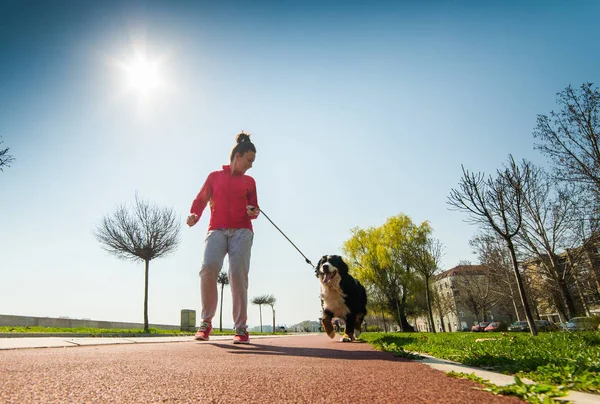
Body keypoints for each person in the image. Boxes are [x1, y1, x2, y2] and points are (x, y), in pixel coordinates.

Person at [187, 131, 259, 344]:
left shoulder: (249, 181)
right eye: (249, 160)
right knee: (208, 268)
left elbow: (254, 209)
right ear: (238, 156)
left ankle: (240, 327)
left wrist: (252, 211)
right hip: (216, 229)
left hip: (242, 231)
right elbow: (201, 200)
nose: (251, 165)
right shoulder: (214, 177)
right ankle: (206, 322)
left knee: (237, 274)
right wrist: (194, 214)